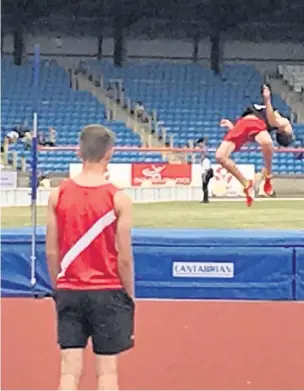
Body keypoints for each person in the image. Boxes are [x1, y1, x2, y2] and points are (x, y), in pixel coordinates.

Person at [46, 124, 135, 390]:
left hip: (70, 290)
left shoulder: (57, 194)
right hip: (107, 291)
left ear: (78, 151)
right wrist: (129, 293)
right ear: (110, 153)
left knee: (68, 373)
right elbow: (124, 257)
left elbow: (51, 250)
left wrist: (58, 286)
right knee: (107, 374)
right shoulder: (119, 199)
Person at [215, 85, 293, 207]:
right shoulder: (274, 120)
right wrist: (232, 127)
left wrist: (267, 99)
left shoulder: (282, 123)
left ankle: (268, 176)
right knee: (220, 156)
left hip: (253, 123)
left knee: (267, 143)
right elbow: (246, 135)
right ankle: (247, 184)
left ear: (283, 131)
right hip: (243, 124)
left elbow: (272, 122)